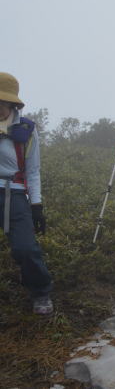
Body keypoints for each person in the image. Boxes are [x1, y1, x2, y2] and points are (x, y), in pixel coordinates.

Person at [0, 72, 52, 314]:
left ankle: (41, 292)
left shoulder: (26, 131)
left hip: (15, 193)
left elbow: (33, 170)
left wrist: (36, 206)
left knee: (25, 248)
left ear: (12, 103)